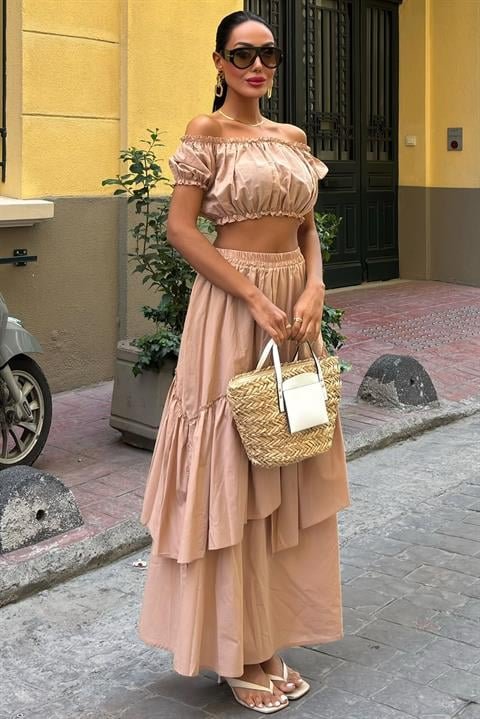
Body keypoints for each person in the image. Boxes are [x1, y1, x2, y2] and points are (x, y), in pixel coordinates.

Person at [139, 9, 350, 715]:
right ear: (219, 62)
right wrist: (254, 296)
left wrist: (316, 287)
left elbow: (306, 228)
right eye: (241, 54)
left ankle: (266, 633)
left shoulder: (292, 139)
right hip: (234, 307)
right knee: (231, 469)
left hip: (295, 310)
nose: (257, 65)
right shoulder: (208, 132)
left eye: (269, 54)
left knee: (285, 459)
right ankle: (237, 649)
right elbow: (181, 229)